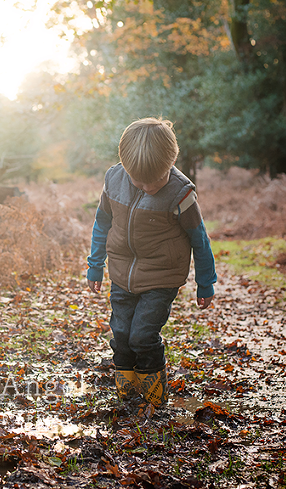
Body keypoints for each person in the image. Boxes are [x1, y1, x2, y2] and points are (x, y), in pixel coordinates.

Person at [87, 117, 217, 407]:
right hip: (122, 273)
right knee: (121, 334)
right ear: (126, 166)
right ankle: (127, 393)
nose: (146, 186)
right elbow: (102, 224)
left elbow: (200, 239)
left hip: (161, 277)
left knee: (143, 335)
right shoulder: (114, 180)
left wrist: (205, 282)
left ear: (169, 166)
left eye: (155, 180)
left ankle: (155, 394)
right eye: (138, 180)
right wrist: (95, 264)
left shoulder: (181, 193)